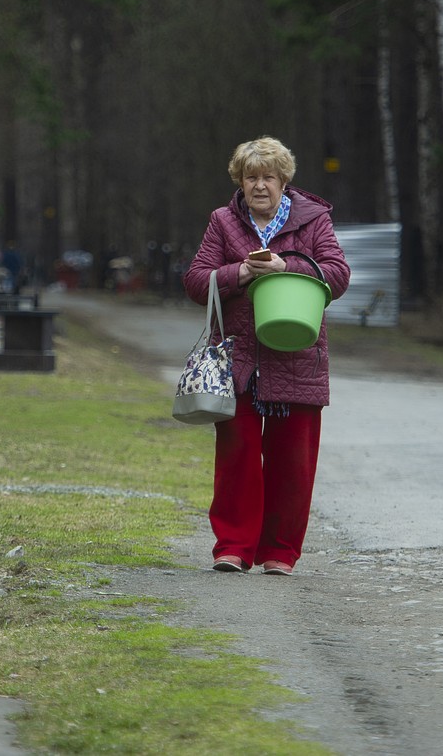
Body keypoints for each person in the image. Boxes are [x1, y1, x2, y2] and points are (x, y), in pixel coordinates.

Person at [182, 136, 350, 576]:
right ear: (240, 180)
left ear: (283, 181)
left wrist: (287, 268)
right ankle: (233, 547)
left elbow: (337, 274)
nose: (260, 185)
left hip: (298, 355)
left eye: (268, 177)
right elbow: (196, 281)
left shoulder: (314, 221)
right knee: (236, 458)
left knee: (292, 463)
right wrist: (238, 273)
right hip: (238, 361)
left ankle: (280, 553)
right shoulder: (222, 221)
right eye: (251, 177)